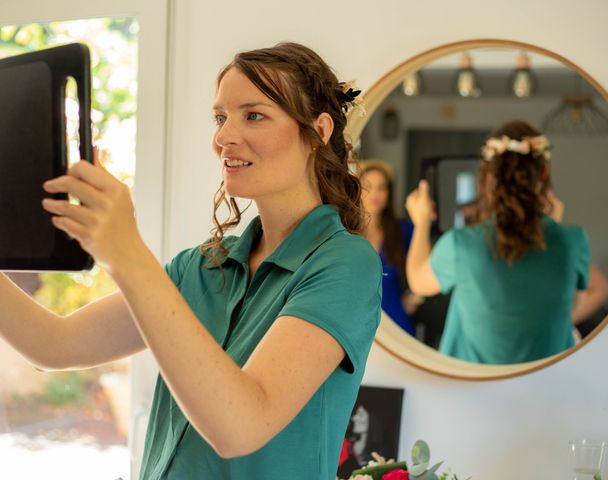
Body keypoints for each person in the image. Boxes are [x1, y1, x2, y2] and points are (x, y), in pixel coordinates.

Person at [0, 42, 382, 479]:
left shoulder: (345, 265)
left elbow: (242, 426)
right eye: (221, 118)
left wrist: (126, 253)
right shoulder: (201, 267)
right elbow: (54, 345)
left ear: (319, 130)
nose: (224, 137)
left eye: (253, 115)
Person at [405, 120, 590, 364]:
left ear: (487, 175)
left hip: (476, 392)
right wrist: (553, 223)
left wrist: (421, 222)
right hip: (549, 390)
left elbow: (418, 282)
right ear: (543, 171)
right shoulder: (572, 242)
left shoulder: (461, 245)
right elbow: (568, 304)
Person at [359, 160, 422, 335]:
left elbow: (429, 265)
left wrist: (415, 299)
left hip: (395, 321)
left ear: (389, 193)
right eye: (368, 186)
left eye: (382, 187)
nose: (375, 194)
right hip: (353, 320)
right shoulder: (343, 230)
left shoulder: (403, 230)